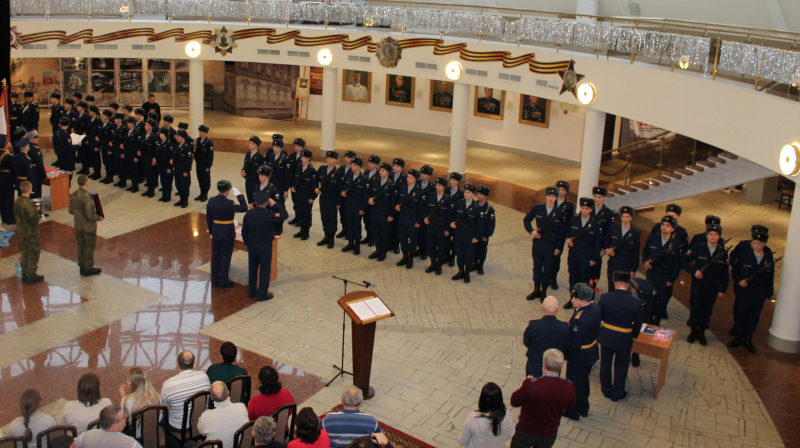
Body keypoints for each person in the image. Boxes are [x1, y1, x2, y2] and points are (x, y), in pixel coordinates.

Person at [509, 349, 575, 448]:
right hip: (549, 433)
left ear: (544, 365)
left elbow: (514, 401)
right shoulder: (569, 387)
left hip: (526, 431)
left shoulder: (532, 384)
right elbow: (569, 407)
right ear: (561, 367)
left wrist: (525, 384)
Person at [598, 272, 643, 402]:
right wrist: (633, 335)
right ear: (628, 285)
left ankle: (606, 390)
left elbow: (599, 317)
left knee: (606, 363)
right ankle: (617, 393)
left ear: (615, 283)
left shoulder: (605, 297)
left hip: (607, 335)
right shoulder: (635, 302)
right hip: (624, 337)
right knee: (622, 364)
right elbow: (638, 323)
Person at [728, 229, 774, 354]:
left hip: (758, 292)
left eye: (759, 243)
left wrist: (768, 294)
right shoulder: (745, 255)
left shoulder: (768, 259)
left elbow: (770, 277)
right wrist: (739, 281)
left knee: (753, 315)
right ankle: (738, 337)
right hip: (744, 291)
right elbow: (735, 271)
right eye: (755, 243)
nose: (757, 246)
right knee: (741, 312)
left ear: (764, 244)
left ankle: (748, 338)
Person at [682, 224, 729, 346]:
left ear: (719, 237)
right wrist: (694, 271)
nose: (713, 237)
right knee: (696, 307)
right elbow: (684, 260)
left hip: (713, 286)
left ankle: (701, 332)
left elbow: (724, 273)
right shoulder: (698, 248)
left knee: (707, 309)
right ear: (707, 235)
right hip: (699, 284)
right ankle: (693, 332)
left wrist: (723, 289)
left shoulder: (722, 253)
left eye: (716, 234)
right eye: (711, 234)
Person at [563, 284, 601, 421]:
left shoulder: (579, 321)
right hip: (590, 352)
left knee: (574, 385)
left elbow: (575, 345)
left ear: (583, 300)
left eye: (575, 298)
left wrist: (565, 355)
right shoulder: (594, 308)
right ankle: (584, 407)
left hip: (579, 357)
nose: (572, 300)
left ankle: (574, 411)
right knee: (584, 382)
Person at [242, 190, 288, 301]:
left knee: (252, 268)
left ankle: (251, 291)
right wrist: (275, 204)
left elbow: (244, 231)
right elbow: (284, 215)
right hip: (265, 245)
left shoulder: (249, 214)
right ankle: (262, 294)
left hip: (252, 245)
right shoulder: (270, 215)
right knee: (264, 269)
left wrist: (247, 244)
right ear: (267, 203)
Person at [523, 187, 566, 301]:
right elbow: (527, 219)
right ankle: (536, 289)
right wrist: (532, 231)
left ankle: (543, 291)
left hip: (551, 244)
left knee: (547, 268)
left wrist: (558, 247)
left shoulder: (559, 213)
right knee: (537, 267)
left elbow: (562, 232)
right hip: (538, 242)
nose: (551, 199)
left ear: (556, 198)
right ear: (546, 196)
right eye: (549, 196)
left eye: (553, 196)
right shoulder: (538, 208)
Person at [207, 180, 248, 288]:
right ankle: (223, 281)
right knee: (225, 256)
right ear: (227, 191)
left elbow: (209, 217)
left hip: (216, 230)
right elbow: (244, 208)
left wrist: (211, 231)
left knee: (215, 255)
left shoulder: (211, 201)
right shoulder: (229, 203)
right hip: (227, 231)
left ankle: (215, 280)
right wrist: (239, 196)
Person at [642, 216, 682, 326]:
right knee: (650, 298)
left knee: (662, 300)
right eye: (663, 225)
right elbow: (645, 251)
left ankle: (657, 321)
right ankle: (648, 320)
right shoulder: (653, 238)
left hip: (665, 276)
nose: (664, 227)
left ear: (672, 229)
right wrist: (645, 261)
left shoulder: (675, 244)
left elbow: (677, 264)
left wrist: (672, 279)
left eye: (668, 226)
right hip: (652, 274)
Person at [160, 351, 212, 436]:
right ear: (194, 363)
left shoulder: (168, 384)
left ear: (177, 364)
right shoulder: (204, 376)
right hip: (201, 421)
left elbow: (164, 409)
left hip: (178, 427)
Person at [563, 198, 603, 306]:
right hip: (574, 255)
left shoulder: (595, 224)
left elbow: (597, 244)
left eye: (587, 209)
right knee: (573, 278)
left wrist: (594, 259)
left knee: (584, 280)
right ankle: (573, 299)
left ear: (591, 210)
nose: (584, 211)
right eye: (583, 208)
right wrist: (567, 239)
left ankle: (582, 302)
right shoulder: (574, 220)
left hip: (586, 257)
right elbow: (566, 232)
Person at [320, 386, 388, 448]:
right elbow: (379, 441)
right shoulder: (371, 421)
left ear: (342, 400)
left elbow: (315, 436)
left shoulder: (328, 419)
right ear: (361, 401)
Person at [523, 297, 568, 377]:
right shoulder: (564, 327)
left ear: (542, 307)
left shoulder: (533, 326)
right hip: (554, 365)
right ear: (557, 309)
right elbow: (566, 345)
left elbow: (527, 342)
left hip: (535, 363)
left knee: (533, 386)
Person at [458, 382, 514, 448]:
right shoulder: (506, 414)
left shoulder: (473, 418)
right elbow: (510, 434)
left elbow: (462, 441)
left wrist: (474, 414)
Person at [448, 184, 485, 283]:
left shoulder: (478, 208)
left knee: (469, 255)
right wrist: (452, 223)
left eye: (468, 192)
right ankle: (460, 271)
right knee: (459, 254)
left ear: (473, 194)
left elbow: (480, 225)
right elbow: (454, 216)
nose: (466, 194)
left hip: (470, 236)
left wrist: (477, 237)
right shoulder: (459, 203)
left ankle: (467, 273)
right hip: (459, 234)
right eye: (465, 192)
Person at [68, 175, 104, 277]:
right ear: (86, 182)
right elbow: (89, 214)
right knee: (88, 247)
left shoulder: (74, 195)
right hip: (88, 227)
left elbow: (70, 210)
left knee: (81, 247)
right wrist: (98, 217)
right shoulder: (87, 197)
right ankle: (88, 268)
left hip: (78, 225)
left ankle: (82, 267)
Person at [197, 381, 249, 448]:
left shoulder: (206, 416)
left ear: (211, 398)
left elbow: (201, 432)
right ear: (228, 392)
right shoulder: (241, 407)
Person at [392, 168, 423, 269]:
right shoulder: (403, 187)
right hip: (402, 217)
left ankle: (410, 258)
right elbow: (398, 199)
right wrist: (397, 205)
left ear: (416, 179)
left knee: (413, 239)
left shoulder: (419, 191)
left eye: (411, 177)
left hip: (412, 219)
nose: (408, 179)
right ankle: (404, 256)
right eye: (408, 177)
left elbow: (421, 208)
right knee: (402, 237)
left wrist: (419, 221)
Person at [604, 206, 640, 292]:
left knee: (623, 289)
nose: (625, 219)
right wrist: (607, 249)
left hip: (626, 264)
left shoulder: (635, 233)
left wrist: (633, 269)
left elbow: (636, 252)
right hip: (614, 262)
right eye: (623, 216)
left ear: (631, 218)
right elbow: (606, 241)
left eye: (627, 217)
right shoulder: (613, 228)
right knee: (611, 285)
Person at [14, 180, 43, 284]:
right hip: (31, 233)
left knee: (24, 252)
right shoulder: (29, 204)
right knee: (33, 253)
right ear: (29, 189)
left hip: (21, 231)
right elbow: (34, 220)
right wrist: (38, 211)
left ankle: (24, 274)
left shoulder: (17, 201)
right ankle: (31, 275)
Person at [74, 405, 142, 448]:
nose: (126, 417)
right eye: (123, 417)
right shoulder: (130, 444)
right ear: (114, 426)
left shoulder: (85, 436)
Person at [422, 176, 450, 275]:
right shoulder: (431, 196)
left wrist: (447, 229)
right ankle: (433, 263)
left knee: (441, 247)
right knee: (431, 245)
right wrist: (425, 217)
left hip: (441, 227)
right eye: (436, 185)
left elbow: (450, 216)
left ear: (444, 187)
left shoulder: (448, 199)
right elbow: (426, 209)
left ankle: (439, 265)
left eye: (439, 185)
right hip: (431, 226)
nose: (437, 187)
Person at [315, 151, 341, 249]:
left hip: (332, 199)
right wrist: (316, 188)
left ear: (335, 160)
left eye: (331, 158)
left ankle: (331, 239)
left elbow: (340, 189)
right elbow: (315, 180)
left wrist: (338, 202)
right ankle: (326, 236)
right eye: (327, 158)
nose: (328, 160)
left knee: (332, 219)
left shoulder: (338, 173)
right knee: (324, 217)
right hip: (323, 198)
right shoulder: (322, 169)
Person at [340, 157, 366, 255]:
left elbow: (365, 196)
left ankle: (357, 245)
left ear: (359, 167)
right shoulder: (349, 175)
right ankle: (350, 243)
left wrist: (363, 209)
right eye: (351, 164)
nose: (352, 166)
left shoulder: (363, 179)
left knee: (356, 225)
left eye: (354, 165)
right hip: (348, 204)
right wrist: (343, 191)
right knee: (349, 224)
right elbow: (344, 186)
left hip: (357, 206)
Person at [290, 148, 317, 240]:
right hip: (298, 194)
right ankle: (301, 229)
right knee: (299, 212)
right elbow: (294, 179)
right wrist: (293, 186)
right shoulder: (298, 167)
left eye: (305, 157)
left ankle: (306, 231)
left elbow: (315, 186)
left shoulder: (312, 171)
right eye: (302, 157)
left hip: (307, 196)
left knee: (306, 214)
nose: (303, 159)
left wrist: (313, 198)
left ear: (309, 159)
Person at [590, 187, 614, 282]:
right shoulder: (589, 209)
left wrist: (605, 247)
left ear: (604, 198)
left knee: (596, 267)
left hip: (599, 244)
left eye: (599, 197)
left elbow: (609, 232)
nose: (597, 199)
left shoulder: (608, 213)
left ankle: (592, 287)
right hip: (588, 243)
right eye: (595, 196)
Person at [473, 186, 495, 275]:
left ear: (485, 196)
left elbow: (491, 224)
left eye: (481, 194)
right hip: (475, 232)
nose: (478, 196)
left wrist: (487, 235)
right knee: (474, 249)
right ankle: (475, 263)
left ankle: (480, 265)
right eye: (478, 193)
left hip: (483, 234)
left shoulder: (489, 209)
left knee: (482, 249)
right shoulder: (474, 205)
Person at [361, 155, 381, 247]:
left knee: (373, 221)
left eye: (372, 163)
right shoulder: (366, 172)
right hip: (365, 201)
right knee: (366, 220)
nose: (369, 164)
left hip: (374, 202)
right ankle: (368, 236)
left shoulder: (379, 175)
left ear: (376, 165)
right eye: (369, 163)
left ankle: (373, 237)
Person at [388, 159, 407, 254]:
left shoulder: (405, 178)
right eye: (394, 166)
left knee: (397, 226)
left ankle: (396, 244)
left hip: (398, 205)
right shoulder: (389, 176)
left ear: (401, 168)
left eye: (397, 166)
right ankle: (390, 242)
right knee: (389, 225)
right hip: (389, 203)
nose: (395, 168)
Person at [335, 151, 356, 239]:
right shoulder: (341, 169)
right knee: (342, 214)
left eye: (349, 157)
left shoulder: (354, 171)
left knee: (349, 216)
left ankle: (349, 231)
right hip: (341, 196)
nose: (346, 159)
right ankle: (344, 229)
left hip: (349, 198)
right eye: (346, 157)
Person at [172, 130, 194, 208]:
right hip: (177, 169)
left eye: (178, 136)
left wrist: (186, 171)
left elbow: (189, 161)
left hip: (183, 170)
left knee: (184, 186)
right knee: (178, 185)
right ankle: (181, 199)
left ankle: (185, 200)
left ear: (182, 137)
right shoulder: (177, 145)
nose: (176, 138)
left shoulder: (187, 148)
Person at [137, 119, 158, 197]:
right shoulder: (143, 135)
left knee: (152, 174)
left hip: (151, 158)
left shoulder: (154, 137)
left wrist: (155, 158)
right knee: (146, 173)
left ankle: (152, 190)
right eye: (145, 125)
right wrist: (139, 151)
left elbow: (156, 149)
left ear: (151, 127)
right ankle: (148, 189)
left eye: (147, 125)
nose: (145, 126)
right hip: (144, 157)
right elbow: (141, 145)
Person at [243, 136, 266, 205]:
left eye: (252, 144)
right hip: (248, 180)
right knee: (249, 197)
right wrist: (243, 170)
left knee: (255, 199)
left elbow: (262, 171)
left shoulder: (261, 157)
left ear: (256, 145)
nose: (250, 145)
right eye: (249, 143)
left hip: (256, 182)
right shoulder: (247, 154)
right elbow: (245, 165)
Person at [194, 125, 214, 202]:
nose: (200, 133)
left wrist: (208, 166)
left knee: (205, 180)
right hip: (199, 163)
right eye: (199, 131)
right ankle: (201, 193)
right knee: (200, 179)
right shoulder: (199, 140)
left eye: (201, 132)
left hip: (205, 165)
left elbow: (210, 155)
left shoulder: (209, 142)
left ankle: (205, 194)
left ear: (205, 133)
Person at [156, 127, 174, 202]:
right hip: (161, 164)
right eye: (160, 134)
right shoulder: (160, 142)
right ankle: (164, 195)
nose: (160, 135)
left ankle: (167, 196)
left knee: (167, 181)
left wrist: (169, 167)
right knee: (163, 180)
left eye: (162, 134)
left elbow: (170, 157)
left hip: (166, 165)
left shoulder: (169, 144)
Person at [0, 137, 16, 225]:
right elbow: (14, 169)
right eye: (8, 141)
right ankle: (10, 218)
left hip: (1, 178)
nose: (9, 142)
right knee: (9, 200)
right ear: (6, 144)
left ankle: (4, 217)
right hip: (8, 179)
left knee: (2, 199)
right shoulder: (8, 157)